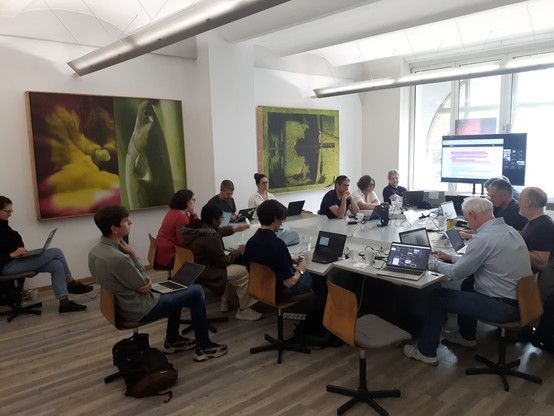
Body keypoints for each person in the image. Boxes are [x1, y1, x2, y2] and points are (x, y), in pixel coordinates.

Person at [88, 205, 227, 361]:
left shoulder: (95, 251)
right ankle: (205, 346)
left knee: (177, 286)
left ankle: (173, 340)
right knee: (196, 291)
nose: (131, 223)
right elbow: (145, 284)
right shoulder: (120, 258)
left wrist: (142, 284)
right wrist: (132, 254)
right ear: (115, 229)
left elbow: (137, 285)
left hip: (123, 303)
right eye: (126, 222)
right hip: (138, 308)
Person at [403, 197, 532, 365]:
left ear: (472, 215)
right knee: (469, 284)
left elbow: (457, 273)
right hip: (522, 301)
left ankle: (426, 352)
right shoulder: (509, 230)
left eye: (466, 217)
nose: (466, 222)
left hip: (502, 307)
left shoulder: (483, 238)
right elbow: (481, 260)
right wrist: (451, 258)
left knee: (437, 296)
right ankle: (467, 337)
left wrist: (432, 264)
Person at [0, 196, 91, 313]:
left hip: (16, 261)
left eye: (11, 211)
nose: (10, 214)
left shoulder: (5, 227)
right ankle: (72, 283)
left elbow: (17, 242)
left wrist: (21, 251)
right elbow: (9, 249)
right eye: (7, 211)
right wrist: (11, 254)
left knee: (56, 265)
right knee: (56, 251)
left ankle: (64, 303)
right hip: (6, 267)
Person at [182, 204, 262, 321]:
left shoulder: (199, 228)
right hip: (207, 271)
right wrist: (238, 252)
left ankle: (225, 302)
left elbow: (217, 232)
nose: (223, 220)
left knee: (235, 268)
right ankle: (244, 310)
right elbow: (223, 262)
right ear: (214, 220)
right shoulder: (210, 238)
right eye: (221, 218)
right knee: (244, 272)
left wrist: (234, 228)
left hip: (196, 269)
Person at [244, 200, 327, 308]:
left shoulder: (251, 242)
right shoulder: (278, 244)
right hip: (280, 291)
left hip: (261, 286)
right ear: (275, 219)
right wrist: (301, 269)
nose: (282, 223)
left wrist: (288, 258)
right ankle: (316, 317)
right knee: (319, 278)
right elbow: (290, 283)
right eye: (282, 220)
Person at [518, 187, 554, 352]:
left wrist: (515, 248)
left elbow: (541, 262)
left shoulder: (543, 226)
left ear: (529, 202)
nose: (518, 202)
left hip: (536, 281)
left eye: (520, 199)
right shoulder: (534, 222)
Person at [154, 189, 197, 268]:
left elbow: (191, 225)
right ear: (186, 202)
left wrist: (193, 214)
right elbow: (182, 242)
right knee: (200, 252)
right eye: (192, 199)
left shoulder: (173, 211)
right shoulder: (181, 217)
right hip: (170, 253)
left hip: (161, 250)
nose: (194, 201)